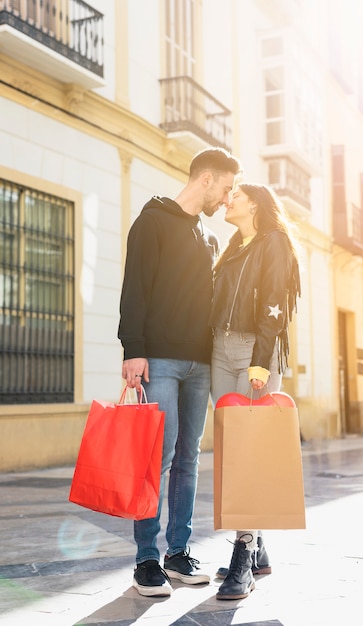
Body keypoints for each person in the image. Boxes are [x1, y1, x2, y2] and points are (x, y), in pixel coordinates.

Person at [118, 147, 242, 598]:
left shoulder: (208, 239)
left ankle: (178, 552)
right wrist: (134, 349)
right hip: (161, 361)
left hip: (201, 364)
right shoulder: (152, 221)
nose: (227, 199)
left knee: (188, 458)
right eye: (226, 188)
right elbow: (135, 289)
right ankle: (146, 558)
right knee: (158, 455)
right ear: (206, 180)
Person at [209, 182, 301, 600]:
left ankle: (242, 557)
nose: (228, 201)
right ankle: (259, 546)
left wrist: (261, 361)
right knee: (233, 448)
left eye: (236, 196)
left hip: (254, 352)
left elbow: (275, 307)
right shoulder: (233, 247)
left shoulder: (274, 242)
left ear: (256, 204)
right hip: (219, 349)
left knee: (251, 454)